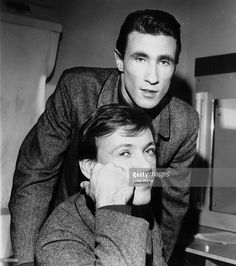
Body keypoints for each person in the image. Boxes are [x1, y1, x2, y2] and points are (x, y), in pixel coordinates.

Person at [9, 9, 199, 265]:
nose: (152, 78)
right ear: (119, 60)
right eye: (140, 58)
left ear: (174, 65)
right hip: (73, 232)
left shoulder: (184, 122)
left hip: (134, 228)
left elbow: (173, 204)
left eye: (164, 61)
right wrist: (25, 261)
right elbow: (36, 172)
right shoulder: (77, 89)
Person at [35, 104, 167, 266]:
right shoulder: (58, 242)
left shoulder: (141, 213)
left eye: (149, 151)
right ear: (89, 167)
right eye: (124, 153)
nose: (146, 167)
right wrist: (113, 211)